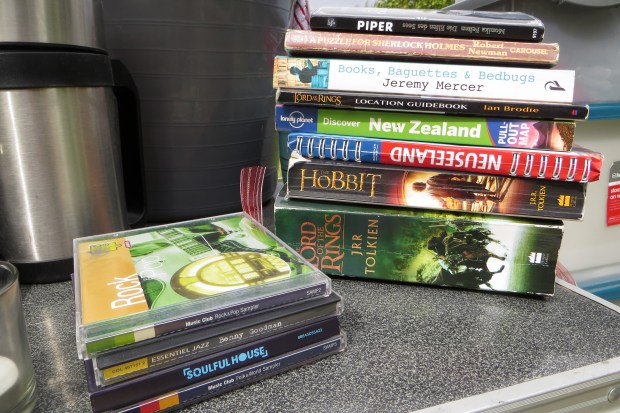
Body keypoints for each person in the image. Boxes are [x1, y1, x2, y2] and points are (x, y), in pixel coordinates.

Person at [412, 173, 499, 203]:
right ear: (421, 183)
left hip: (453, 194)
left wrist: (444, 204)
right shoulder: (430, 179)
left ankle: (486, 198)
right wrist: (456, 176)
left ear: (420, 190)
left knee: (471, 197)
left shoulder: (429, 193)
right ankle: (491, 193)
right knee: (473, 187)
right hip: (454, 184)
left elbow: (439, 200)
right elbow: (444, 175)